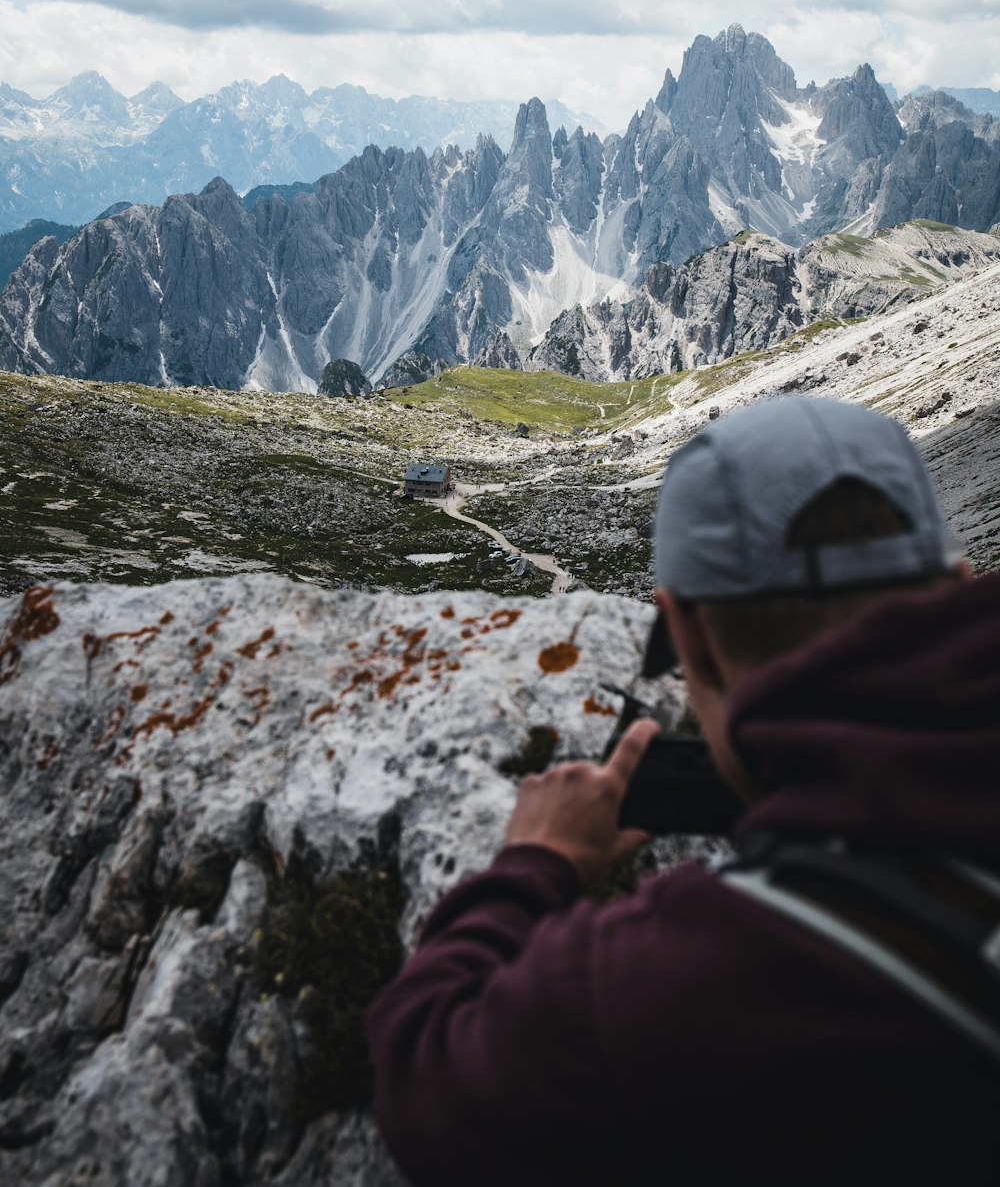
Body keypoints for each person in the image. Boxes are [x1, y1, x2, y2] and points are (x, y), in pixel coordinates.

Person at [367, 396, 1000, 1186]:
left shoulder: (674, 982)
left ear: (689, 639)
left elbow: (425, 1072)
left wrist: (535, 863)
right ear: (961, 584)